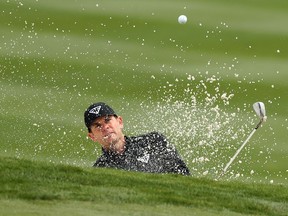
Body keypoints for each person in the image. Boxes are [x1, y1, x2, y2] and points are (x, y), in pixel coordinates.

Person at [84, 102, 190, 175]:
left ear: (120, 122)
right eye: (98, 126)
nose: (105, 127)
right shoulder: (101, 170)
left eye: (107, 120)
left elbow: (182, 174)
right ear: (92, 136)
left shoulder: (154, 141)